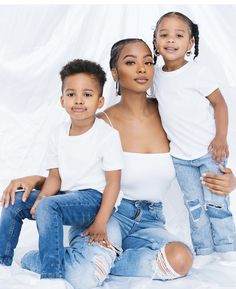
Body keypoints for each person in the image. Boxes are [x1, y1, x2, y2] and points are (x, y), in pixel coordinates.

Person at [0, 38, 236, 289]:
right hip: (108, 215)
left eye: (148, 61)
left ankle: (101, 260)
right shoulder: (100, 123)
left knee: (181, 260)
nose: (142, 68)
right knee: (84, 279)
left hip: (151, 220)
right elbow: (76, 176)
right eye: (130, 62)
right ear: (115, 72)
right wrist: (37, 180)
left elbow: (198, 155)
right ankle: (45, 260)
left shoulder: (170, 115)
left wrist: (228, 179)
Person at [0, 59, 124, 283]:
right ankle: (2, 261)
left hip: (93, 200)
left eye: (87, 94)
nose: (78, 100)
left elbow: (114, 182)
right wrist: (43, 198)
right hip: (64, 198)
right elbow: (55, 176)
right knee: (16, 200)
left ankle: (52, 275)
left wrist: (101, 221)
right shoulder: (57, 133)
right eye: (71, 94)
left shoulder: (107, 135)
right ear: (62, 100)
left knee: (49, 204)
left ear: (100, 101)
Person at [152, 11, 236, 260]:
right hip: (179, 156)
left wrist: (221, 138)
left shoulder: (198, 72)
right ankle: (204, 250)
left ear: (191, 43)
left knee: (216, 204)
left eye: (179, 35)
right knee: (195, 206)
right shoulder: (155, 77)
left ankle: (227, 247)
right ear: (155, 40)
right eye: (164, 34)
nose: (170, 40)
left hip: (209, 152)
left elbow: (220, 104)